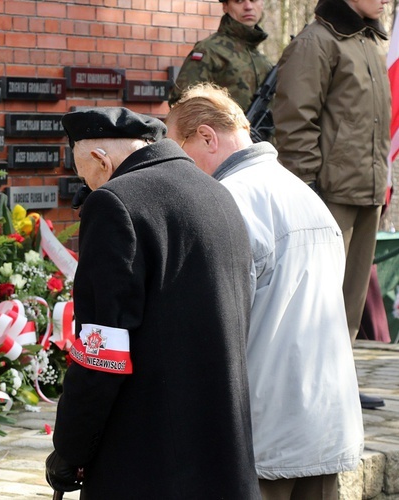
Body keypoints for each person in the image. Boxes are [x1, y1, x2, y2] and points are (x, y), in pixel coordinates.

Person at [45, 107, 260, 499]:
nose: (88, 189)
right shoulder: (216, 192)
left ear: (100, 159)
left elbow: (102, 350)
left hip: (148, 455)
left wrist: (70, 447)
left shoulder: (114, 203)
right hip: (222, 445)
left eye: (85, 177)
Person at [165, 83, 363, 500]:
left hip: (263, 433)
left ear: (206, 136)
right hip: (325, 421)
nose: (180, 169)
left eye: (179, 153)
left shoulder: (227, 201)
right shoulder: (303, 194)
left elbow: (213, 327)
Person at [272, 0, 390, 409]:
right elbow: (294, 119)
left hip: (366, 190)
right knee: (315, 301)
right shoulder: (318, 41)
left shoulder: (370, 42)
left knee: (349, 302)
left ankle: (338, 384)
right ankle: (302, 391)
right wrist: (307, 191)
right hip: (328, 195)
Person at [168, 0, 272, 112]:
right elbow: (182, 103)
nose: (248, 6)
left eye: (253, 0)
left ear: (262, 3)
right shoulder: (209, 50)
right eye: (239, 1)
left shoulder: (262, 60)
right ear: (225, 6)